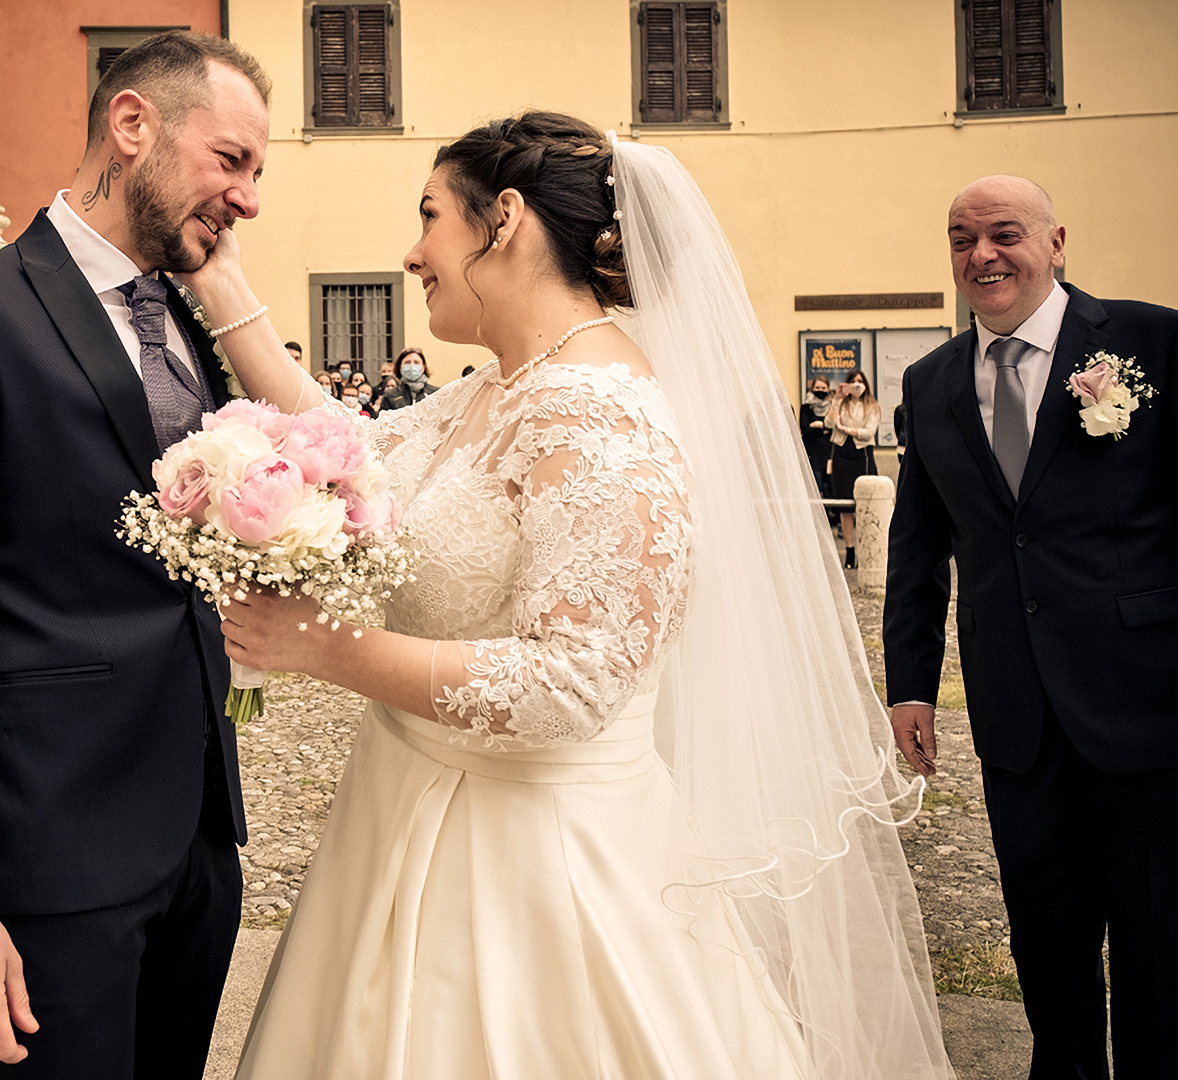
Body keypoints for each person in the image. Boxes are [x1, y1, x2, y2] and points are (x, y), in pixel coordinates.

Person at [184, 111, 951, 1079]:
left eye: (429, 217)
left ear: (501, 220)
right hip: (397, 819)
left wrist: (328, 649)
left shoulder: (601, 417)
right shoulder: (495, 389)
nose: (413, 253)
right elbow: (355, 446)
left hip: (535, 869)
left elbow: (573, 683)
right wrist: (221, 286)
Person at [0, 31, 270, 1079]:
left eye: (258, 172)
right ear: (132, 126)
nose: (247, 199)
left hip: (195, 848)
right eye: (230, 161)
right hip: (51, 861)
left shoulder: (187, 316)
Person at [884, 174, 1178, 1079]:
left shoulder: (1154, 341)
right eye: (960, 238)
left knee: (1163, 945)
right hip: (1018, 715)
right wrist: (908, 682)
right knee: (1044, 937)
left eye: (1003, 233)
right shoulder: (930, 380)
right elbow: (916, 545)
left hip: (1160, 704)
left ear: (1056, 244)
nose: (981, 255)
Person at [824, 369, 880, 568]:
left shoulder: (872, 405)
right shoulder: (841, 402)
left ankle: (867, 550)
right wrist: (838, 398)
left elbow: (869, 432)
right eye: (853, 382)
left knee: (864, 504)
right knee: (845, 505)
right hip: (841, 454)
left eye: (860, 382)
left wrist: (847, 429)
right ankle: (849, 550)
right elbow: (829, 423)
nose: (857, 385)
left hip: (862, 455)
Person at [797, 375, 832, 494]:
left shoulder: (833, 407)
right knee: (815, 488)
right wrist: (824, 429)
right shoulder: (806, 407)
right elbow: (805, 430)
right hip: (813, 454)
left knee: (831, 489)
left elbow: (834, 428)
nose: (820, 390)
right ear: (812, 389)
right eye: (817, 387)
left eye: (823, 388)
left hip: (829, 453)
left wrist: (819, 425)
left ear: (828, 389)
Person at [377, 345, 438, 409]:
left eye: (416, 362)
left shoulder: (435, 393)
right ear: (400, 368)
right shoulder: (390, 395)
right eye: (407, 362)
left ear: (423, 368)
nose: (412, 366)